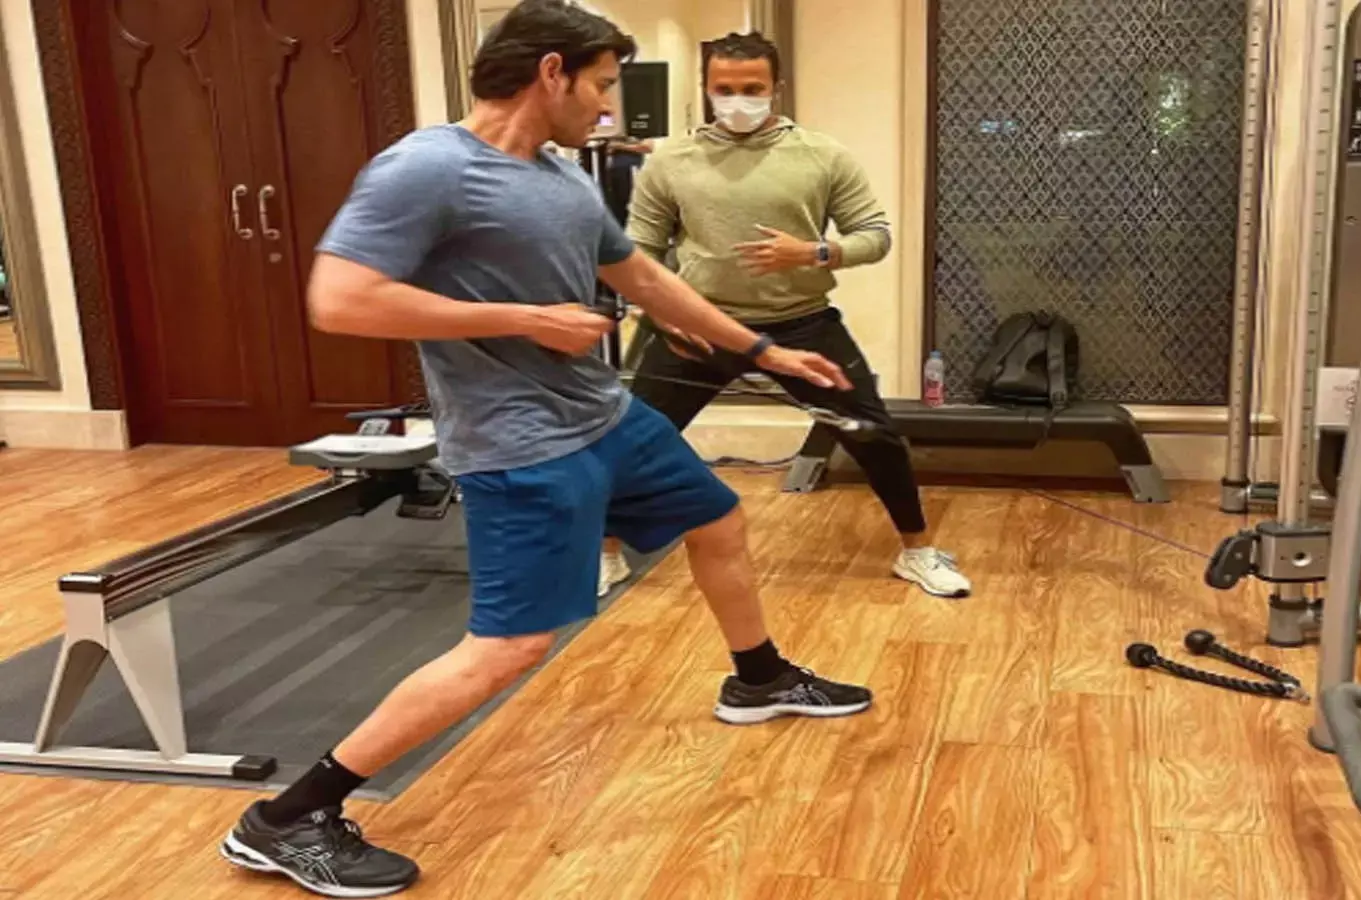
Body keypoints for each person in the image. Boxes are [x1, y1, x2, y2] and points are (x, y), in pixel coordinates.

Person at [218, 3, 873, 895]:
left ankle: (757, 679)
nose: (606, 107)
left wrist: (761, 351)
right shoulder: (429, 167)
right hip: (518, 443)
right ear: (551, 72)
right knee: (510, 646)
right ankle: (286, 819)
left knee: (718, 518)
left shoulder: (560, 176)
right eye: (601, 85)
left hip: (606, 417)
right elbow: (340, 300)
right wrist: (522, 319)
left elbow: (643, 277)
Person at [597, 31, 972, 601]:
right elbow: (640, 248)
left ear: (777, 88)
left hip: (802, 323)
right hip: (702, 326)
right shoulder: (670, 159)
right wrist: (657, 309)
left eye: (753, 88)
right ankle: (606, 554)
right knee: (632, 438)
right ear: (705, 88)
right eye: (725, 89)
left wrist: (814, 252)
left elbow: (875, 235)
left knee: (874, 435)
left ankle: (917, 552)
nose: (738, 100)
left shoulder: (822, 155)